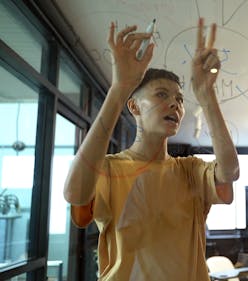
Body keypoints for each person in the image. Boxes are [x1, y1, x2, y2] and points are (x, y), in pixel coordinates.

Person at [63, 18, 239, 281]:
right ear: (134, 107)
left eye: (179, 99)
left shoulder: (189, 169)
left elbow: (230, 171)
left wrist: (205, 94)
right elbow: (74, 193)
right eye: (161, 95)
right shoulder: (110, 169)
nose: (175, 105)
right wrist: (119, 89)